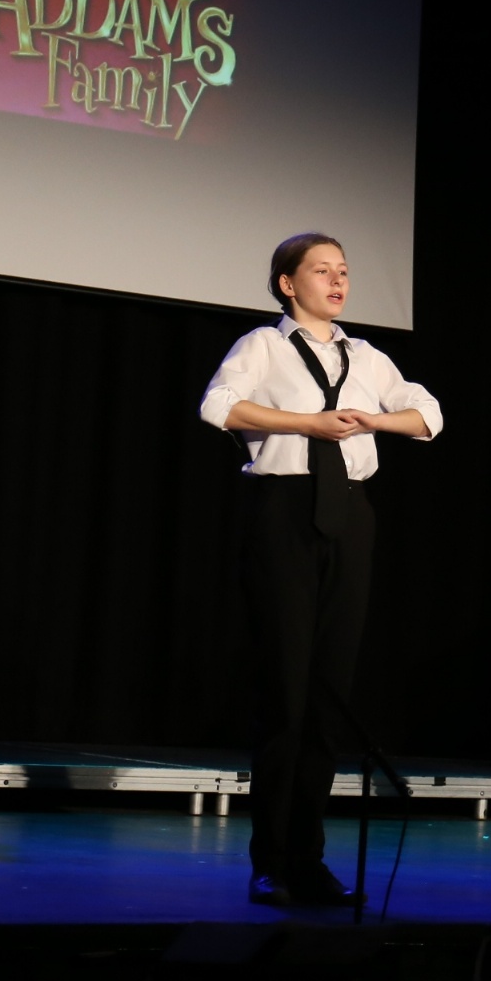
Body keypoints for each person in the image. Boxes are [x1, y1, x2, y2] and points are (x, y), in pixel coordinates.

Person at [198, 234, 442, 907]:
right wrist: (307, 423)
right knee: (285, 691)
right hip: (283, 512)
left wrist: (375, 422)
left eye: (344, 271)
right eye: (321, 271)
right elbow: (219, 406)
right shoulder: (264, 346)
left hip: (350, 516)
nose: (337, 282)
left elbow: (429, 416)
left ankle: (309, 857)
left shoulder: (366, 356)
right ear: (287, 283)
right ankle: (270, 860)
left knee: (330, 693)